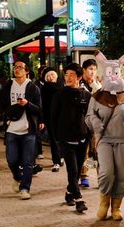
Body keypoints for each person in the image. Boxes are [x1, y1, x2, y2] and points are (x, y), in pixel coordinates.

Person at [86, 50, 124, 221]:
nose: (113, 76)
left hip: (123, 140)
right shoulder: (97, 96)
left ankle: (116, 207)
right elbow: (88, 116)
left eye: (116, 72)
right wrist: (96, 123)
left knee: (121, 174)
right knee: (107, 172)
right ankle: (103, 203)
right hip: (104, 140)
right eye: (110, 73)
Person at [51, 63, 90, 213]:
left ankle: (69, 193)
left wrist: (90, 135)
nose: (68, 77)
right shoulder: (59, 95)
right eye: (66, 75)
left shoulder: (86, 95)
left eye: (72, 75)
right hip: (65, 139)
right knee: (72, 171)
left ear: (79, 77)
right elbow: (53, 117)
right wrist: (56, 138)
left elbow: (90, 117)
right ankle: (79, 199)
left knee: (78, 169)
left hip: (82, 138)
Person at [2, 60, 42, 200]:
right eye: (15, 67)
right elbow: (2, 105)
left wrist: (27, 104)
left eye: (20, 67)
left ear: (27, 71)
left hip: (28, 130)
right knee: (11, 160)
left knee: (27, 162)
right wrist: (5, 119)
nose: (17, 69)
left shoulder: (32, 88)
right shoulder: (8, 86)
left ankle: (25, 188)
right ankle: (17, 177)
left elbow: (39, 109)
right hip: (11, 129)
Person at [79, 58, 101, 187]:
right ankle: (84, 175)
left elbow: (101, 100)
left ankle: (100, 177)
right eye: (90, 69)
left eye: (94, 69)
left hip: (96, 123)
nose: (92, 72)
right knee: (85, 152)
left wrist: (95, 85)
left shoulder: (97, 85)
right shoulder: (79, 85)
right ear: (84, 70)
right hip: (83, 123)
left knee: (98, 151)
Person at [40, 67, 62, 172]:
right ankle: (56, 162)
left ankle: (61, 157)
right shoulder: (44, 89)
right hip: (50, 117)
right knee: (54, 140)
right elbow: (42, 105)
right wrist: (42, 120)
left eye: (52, 74)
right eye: (48, 75)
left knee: (62, 139)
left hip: (61, 117)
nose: (50, 77)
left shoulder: (62, 86)